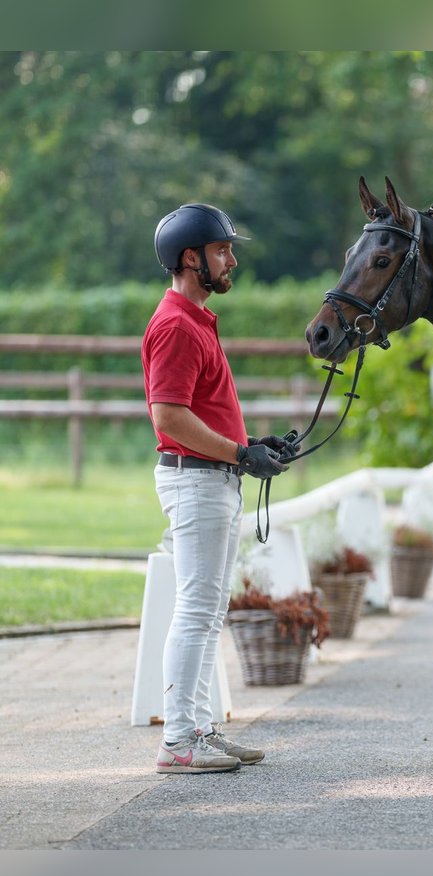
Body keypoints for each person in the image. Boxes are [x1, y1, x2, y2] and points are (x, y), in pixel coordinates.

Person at [143, 203, 295, 774]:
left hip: (212, 479)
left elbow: (198, 411)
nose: (231, 259)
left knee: (206, 612)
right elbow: (169, 419)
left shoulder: (196, 320)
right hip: (199, 482)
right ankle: (180, 741)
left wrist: (251, 443)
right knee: (197, 611)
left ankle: (199, 729)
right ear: (191, 258)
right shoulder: (178, 325)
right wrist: (238, 453)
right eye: (222, 250)